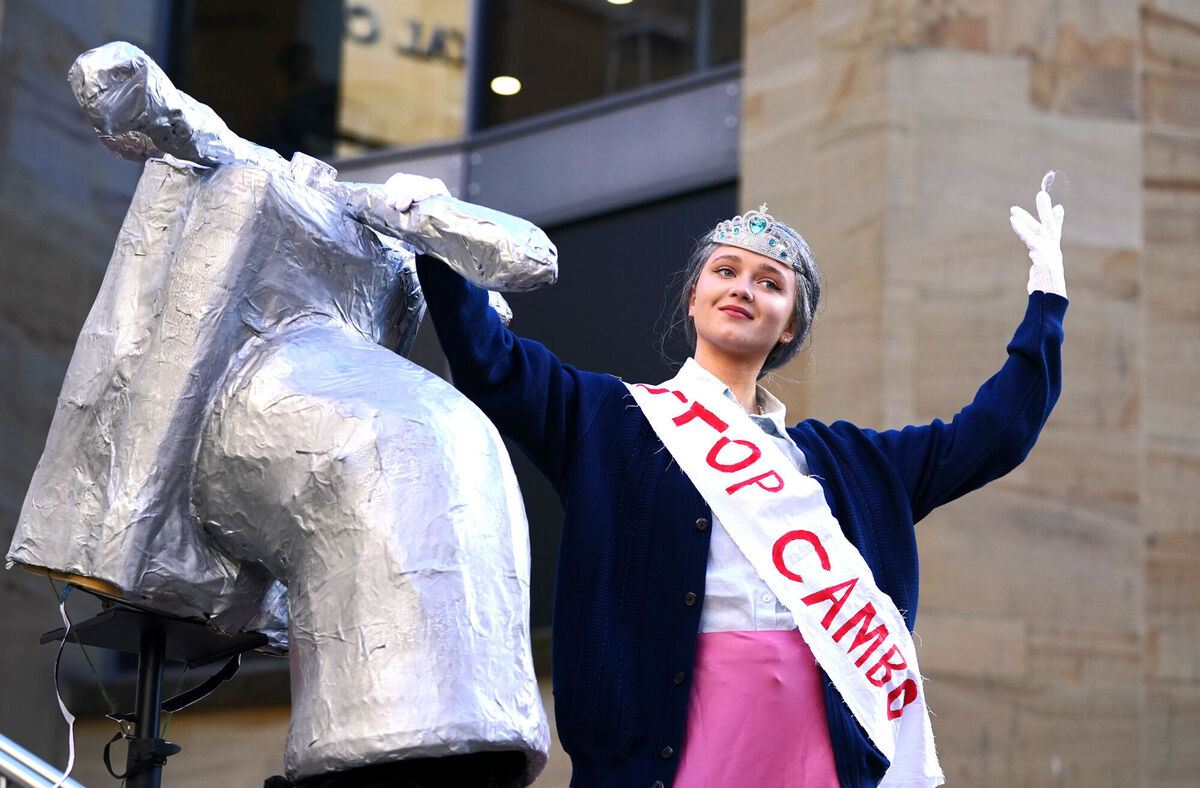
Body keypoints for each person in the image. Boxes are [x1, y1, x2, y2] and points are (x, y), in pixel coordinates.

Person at [388, 173, 1067, 788]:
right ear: (694, 297)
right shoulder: (611, 420)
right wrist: (437, 230)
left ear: (791, 324)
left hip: (823, 742)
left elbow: (990, 436)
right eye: (726, 271)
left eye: (770, 282)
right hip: (671, 739)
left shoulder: (852, 465)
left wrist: (1047, 308)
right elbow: (491, 363)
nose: (743, 288)